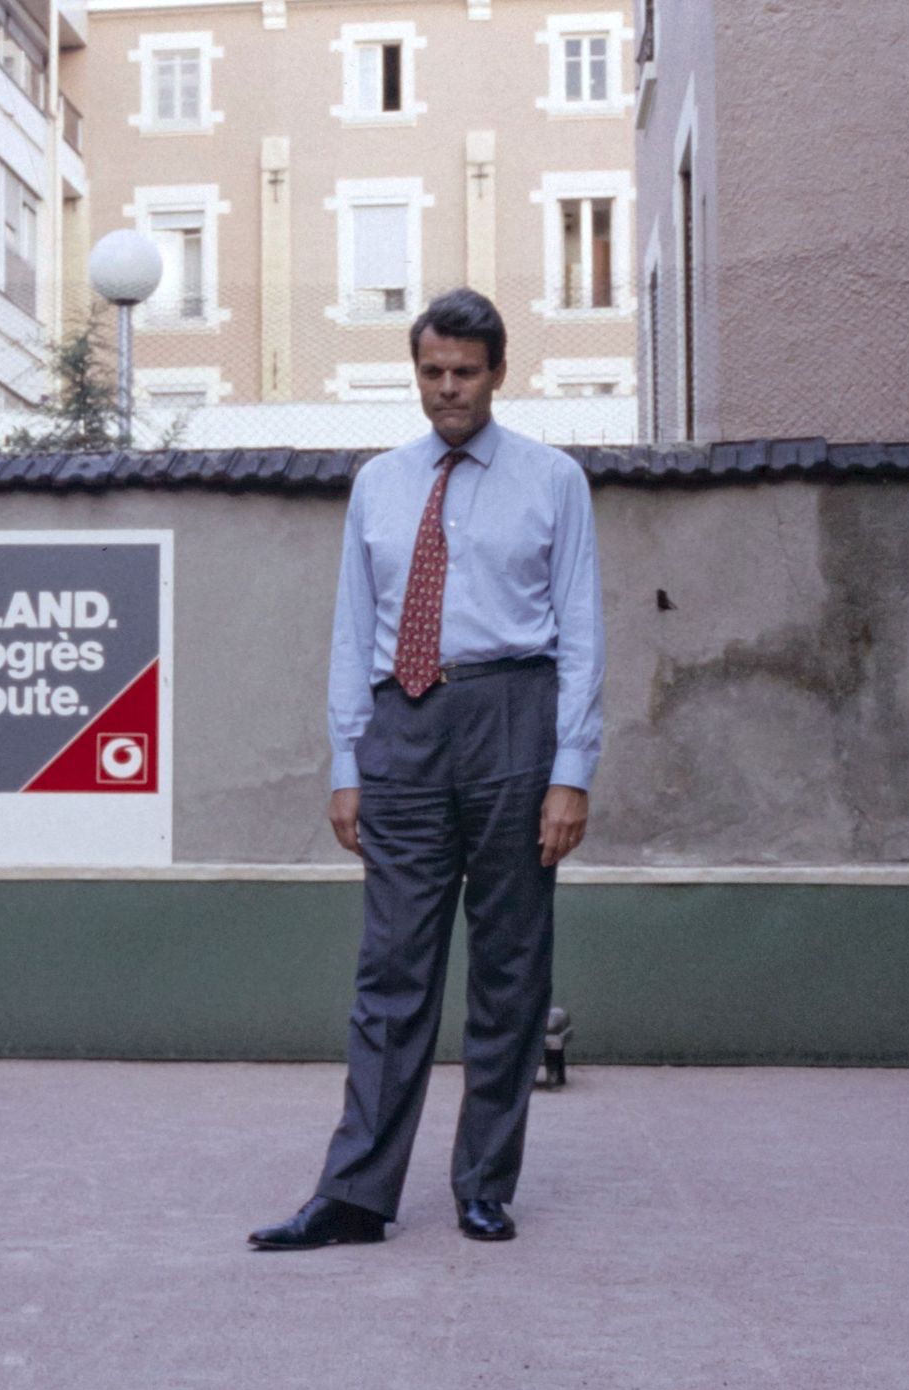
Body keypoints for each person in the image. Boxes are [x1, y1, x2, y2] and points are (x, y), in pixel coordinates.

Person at [250, 288, 604, 1250]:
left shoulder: (552, 480)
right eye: (431, 373)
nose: (446, 390)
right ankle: (356, 1194)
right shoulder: (381, 482)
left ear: (499, 372)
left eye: (464, 373)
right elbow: (350, 629)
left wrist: (570, 768)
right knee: (391, 970)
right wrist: (347, 760)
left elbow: (581, 630)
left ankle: (485, 1182)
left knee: (509, 969)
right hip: (402, 728)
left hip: (511, 720)